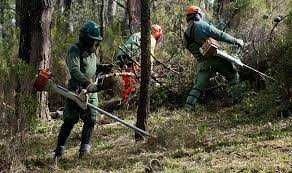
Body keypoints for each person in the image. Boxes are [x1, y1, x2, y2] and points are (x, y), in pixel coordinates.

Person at [53, 21, 112, 160]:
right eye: (93, 41)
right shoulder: (75, 49)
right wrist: (87, 83)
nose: (95, 44)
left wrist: (102, 67)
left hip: (91, 91)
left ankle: (84, 150)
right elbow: (74, 70)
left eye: (96, 42)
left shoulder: (92, 52)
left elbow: (92, 66)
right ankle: (59, 152)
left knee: (91, 119)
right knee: (69, 121)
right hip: (77, 90)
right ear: (86, 39)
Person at [183, 5, 244, 111]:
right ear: (197, 14)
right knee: (233, 75)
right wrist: (236, 41)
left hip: (203, 64)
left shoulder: (185, 35)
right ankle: (238, 101)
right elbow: (219, 34)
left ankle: (188, 108)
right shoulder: (201, 25)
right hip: (217, 59)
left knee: (198, 87)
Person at [115, 24, 163, 102]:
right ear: (156, 32)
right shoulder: (151, 38)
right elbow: (149, 57)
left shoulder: (138, 34)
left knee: (128, 81)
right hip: (130, 58)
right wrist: (149, 71)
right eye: (159, 33)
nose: (159, 36)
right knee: (132, 82)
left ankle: (125, 101)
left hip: (121, 56)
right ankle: (128, 102)